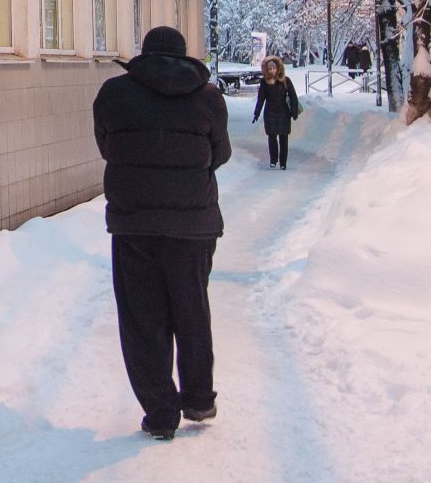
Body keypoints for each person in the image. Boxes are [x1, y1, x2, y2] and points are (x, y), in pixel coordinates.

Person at [93, 25, 231, 441]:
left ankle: (160, 412)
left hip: (134, 225)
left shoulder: (114, 95)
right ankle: (199, 397)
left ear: (145, 53)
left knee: (141, 319)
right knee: (191, 309)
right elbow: (219, 154)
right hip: (193, 224)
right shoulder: (207, 96)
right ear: (184, 55)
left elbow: (106, 146)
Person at [252, 57, 302, 170]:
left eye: (274, 68)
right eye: (270, 69)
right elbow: (261, 99)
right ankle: (273, 160)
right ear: (266, 70)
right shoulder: (264, 82)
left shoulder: (285, 80)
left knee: (284, 138)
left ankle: (283, 162)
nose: (272, 71)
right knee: (272, 137)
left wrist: (294, 112)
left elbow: (293, 96)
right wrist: (256, 113)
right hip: (270, 113)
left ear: (278, 68)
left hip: (284, 113)